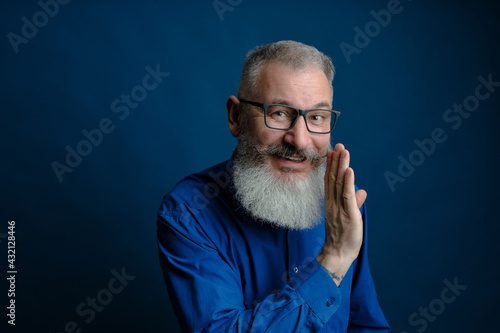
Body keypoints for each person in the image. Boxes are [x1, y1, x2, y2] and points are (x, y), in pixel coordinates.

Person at [157, 40, 390, 332]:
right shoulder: (189, 212)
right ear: (236, 117)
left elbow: (364, 324)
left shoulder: (345, 206)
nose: (300, 140)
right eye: (279, 113)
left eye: (317, 117)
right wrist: (333, 261)